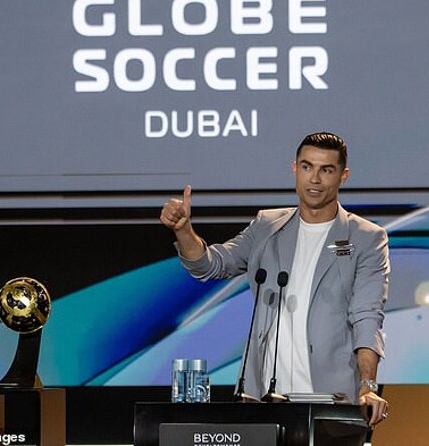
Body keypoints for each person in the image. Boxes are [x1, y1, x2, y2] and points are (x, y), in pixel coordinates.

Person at [160, 132, 390, 426]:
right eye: (307, 167)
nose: (314, 179)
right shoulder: (267, 226)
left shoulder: (367, 238)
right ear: (294, 169)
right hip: (262, 402)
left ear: (343, 176)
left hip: (331, 402)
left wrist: (368, 386)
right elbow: (210, 265)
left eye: (326, 170)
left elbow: (367, 317)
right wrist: (183, 230)